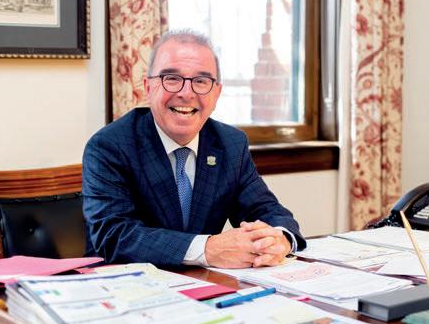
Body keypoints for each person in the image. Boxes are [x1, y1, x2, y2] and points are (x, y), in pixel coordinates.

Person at [82, 30, 306, 269]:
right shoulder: (109, 146)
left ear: (216, 93)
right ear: (148, 87)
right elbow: (114, 236)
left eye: (201, 81)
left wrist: (278, 239)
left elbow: (267, 211)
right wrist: (208, 249)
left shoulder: (230, 144)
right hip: (126, 283)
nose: (186, 93)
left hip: (204, 284)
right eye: (172, 78)